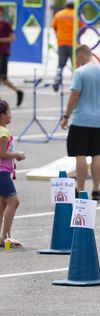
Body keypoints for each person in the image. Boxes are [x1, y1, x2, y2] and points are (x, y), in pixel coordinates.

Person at [60, 45, 100, 201]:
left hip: (81, 119)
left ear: (81, 56)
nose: (77, 62)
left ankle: (80, 189)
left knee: (80, 155)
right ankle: (96, 190)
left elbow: (74, 96)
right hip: (99, 120)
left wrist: (66, 116)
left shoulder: (80, 72)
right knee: (97, 155)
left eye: (78, 59)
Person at [0, 100, 25, 247]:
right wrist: (16, 154)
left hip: (3, 172)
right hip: (2, 172)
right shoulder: (3, 132)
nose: (10, 115)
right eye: (8, 113)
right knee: (13, 202)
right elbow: (2, 154)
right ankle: (6, 236)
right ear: (2, 115)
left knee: (2, 204)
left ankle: (3, 237)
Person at [51, 0, 82, 92]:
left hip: (61, 43)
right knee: (75, 65)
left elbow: (54, 26)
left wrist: (58, 35)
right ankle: (76, 84)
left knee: (60, 64)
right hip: (73, 43)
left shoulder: (59, 14)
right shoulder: (77, 15)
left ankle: (57, 81)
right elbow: (83, 27)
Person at [0, 7, 23, 107]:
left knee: (3, 78)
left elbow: (12, 37)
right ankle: (18, 91)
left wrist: (1, 40)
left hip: (3, 52)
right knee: (3, 79)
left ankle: (18, 91)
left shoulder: (6, 24)